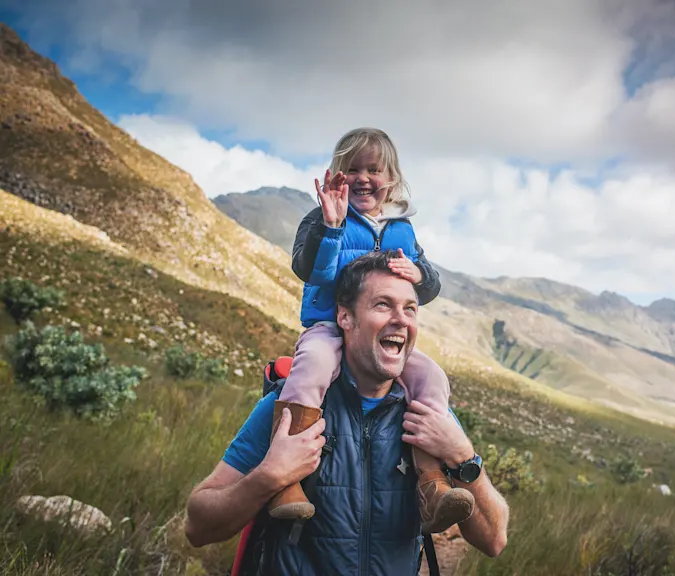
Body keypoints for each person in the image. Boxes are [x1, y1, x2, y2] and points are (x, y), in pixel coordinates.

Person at [184, 252, 509, 574]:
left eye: (410, 308)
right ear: (345, 317)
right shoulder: (289, 408)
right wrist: (269, 477)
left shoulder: (429, 416)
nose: (401, 319)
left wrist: (463, 457)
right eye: (383, 304)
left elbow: (494, 541)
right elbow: (197, 527)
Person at [269, 127, 471, 535]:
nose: (362, 178)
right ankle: (285, 479)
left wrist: (420, 274)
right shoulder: (321, 217)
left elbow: (427, 285)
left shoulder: (403, 227)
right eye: (352, 168)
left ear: (391, 179)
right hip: (330, 325)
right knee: (311, 366)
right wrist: (331, 226)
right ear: (336, 174)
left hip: (381, 338)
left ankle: (430, 482)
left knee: (430, 376)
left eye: (373, 169)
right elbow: (310, 271)